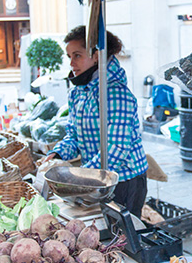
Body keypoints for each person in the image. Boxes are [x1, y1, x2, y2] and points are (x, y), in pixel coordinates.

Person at [42, 26, 149, 218]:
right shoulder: (78, 93)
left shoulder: (117, 95)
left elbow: (116, 149)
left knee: (123, 239)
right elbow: (73, 136)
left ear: (97, 55)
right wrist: (57, 153)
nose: (72, 64)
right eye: (69, 57)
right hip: (96, 178)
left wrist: (80, 178)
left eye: (77, 55)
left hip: (125, 180)